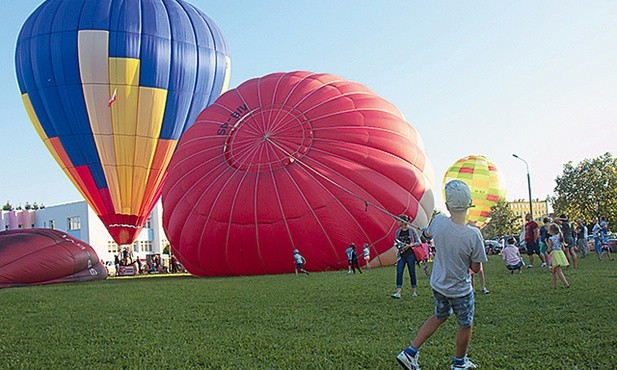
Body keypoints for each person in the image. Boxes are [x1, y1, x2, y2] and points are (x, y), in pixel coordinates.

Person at [396, 180, 487, 370]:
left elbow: (427, 235)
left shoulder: (439, 222)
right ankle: (459, 363)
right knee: (465, 324)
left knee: (440, 315)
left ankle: (410, 352)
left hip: (438, 285)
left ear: (447, 206)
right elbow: (476, 268)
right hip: (460, 290)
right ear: (469, 205)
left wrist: (426, 232)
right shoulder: (474, 235)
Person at [391, 214, 421, 299]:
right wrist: (398, 245)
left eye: (398, 220)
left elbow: (418, 242)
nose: (397, 222)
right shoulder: (398, 232)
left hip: (410, 254)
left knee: (412, 272)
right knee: (399, 272)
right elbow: (396, 241)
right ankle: (398, 292)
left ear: (403, 221)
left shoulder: (412, 231)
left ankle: (414, 291)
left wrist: (410, 245)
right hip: (401, 255)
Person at [547, 223, 570, 289]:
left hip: (554, 254)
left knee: (558, 270)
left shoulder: (550, 238)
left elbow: (549, 249)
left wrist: (547, 251)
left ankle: (566, 284)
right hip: (560, 253)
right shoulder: (560, 236)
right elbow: (563, 247)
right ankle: (554, 285)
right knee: (554, 271)